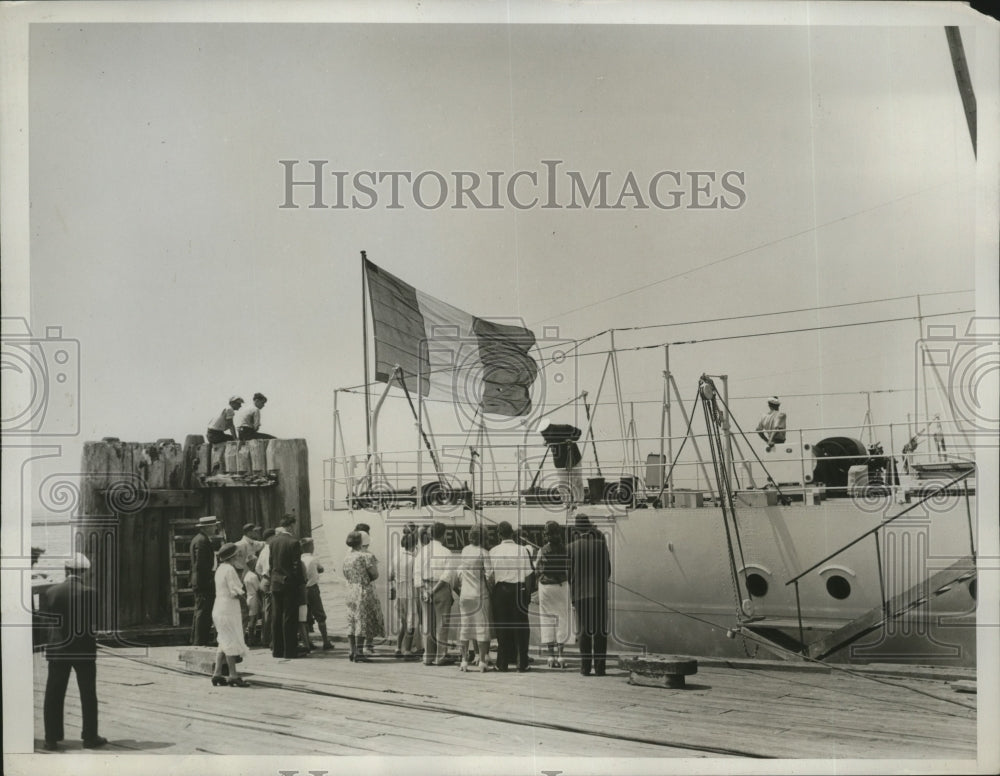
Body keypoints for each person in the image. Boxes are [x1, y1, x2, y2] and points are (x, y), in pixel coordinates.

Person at [41, 553, 107, 751]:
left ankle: (51, 739)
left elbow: (47, 622)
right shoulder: (91, 592)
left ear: (66, 570)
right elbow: (94, 623)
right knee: (88, 693)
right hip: (83, 650)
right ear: (83, 572)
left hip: (58, 650)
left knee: (54, 692)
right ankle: (90, 736)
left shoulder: (51, 592)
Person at [568, 513, 611, 677]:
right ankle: (600, 668)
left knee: (584, 631)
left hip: (580, 594)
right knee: (600, 631)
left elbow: (568, 573)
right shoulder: (601, 545)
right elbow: (608, 570)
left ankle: (585, 668)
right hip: (599, 593)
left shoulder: (571, 547)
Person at [489, 520, 534, 672]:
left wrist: (491, 594)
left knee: (502, 628)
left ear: (499, 534)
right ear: (512, 534)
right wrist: (526, 595)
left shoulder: (493, 551)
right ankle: (522, 663)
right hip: (518, 590)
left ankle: (502, 663)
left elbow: (490, 576)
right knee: (521, 628)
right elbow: (528, 575)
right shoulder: (522, 550)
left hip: (500, 591)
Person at [210, 543, 251, 687]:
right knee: (231, 640)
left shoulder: (220, 569)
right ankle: (233, 675)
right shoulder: (230, 570)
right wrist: (245, 599)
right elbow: (235, 591)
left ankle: (217, 673)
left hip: (219, 607)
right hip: (229, 608)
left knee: (223, 640)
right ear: (233, 557)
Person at [342, 531, 385, 662]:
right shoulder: (366, 556)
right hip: (363, 589)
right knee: (362, 620)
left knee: (352, 619)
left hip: (351, 589)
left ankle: (352, 650)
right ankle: (360, 652)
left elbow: (345, 574)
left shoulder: (347, 557)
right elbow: (375, 574)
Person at [456, 525, 494, 672]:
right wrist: (492, 589)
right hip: (480, 594)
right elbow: (489, 575)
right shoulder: (484, 553)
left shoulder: (465, 550)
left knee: (465, 627)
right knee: (482, 627)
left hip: (465, 594)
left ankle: (464, 661)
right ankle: (482, 661)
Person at [536, 520, 572, 669]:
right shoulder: (566, 549)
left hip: (545, 587)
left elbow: (537, 568)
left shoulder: (542, 550)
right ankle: (561, 656)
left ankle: (550, 656)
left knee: (547, 619)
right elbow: (569, 568)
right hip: (562, 586)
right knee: (562, 618)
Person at [421, 522, 458, 666]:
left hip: (425, 586)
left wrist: (425, 589)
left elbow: (417, 572)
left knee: (428, 624)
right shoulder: (446, 552)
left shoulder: (423, 551)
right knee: (442, 624)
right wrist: (434, 589)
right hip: (440, 588)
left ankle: (427, 656)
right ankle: (440, 656)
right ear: (443, 535)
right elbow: (447, 575)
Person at [268, 514, 304, 659]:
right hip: (289, 583)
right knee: (290, 616)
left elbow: (271, 564)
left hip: (275, 582)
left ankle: (277, 650)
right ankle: (290, 650)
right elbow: (296, 566)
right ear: (290, 525)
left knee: (276, 616)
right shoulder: (294, 542)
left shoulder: (273, 541)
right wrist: (300, 582)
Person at [390, 525, 421, 657]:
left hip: (399, 591)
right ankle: (407, 650)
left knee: (403, 621)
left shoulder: (396, 557)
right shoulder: (413, 559)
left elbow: (390, 576)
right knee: (411, 622)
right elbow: (416, 577)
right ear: (414, 544)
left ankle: (398, 647)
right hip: (410, 591)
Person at [189, 516, 220, 646]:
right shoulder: (202, 541)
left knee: (200, 611)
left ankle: (197, 640)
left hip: (202, 581)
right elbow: (200, 565)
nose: (215, 528)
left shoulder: (200, 539)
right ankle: (200, 642)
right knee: (203, 612)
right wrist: (208, 581)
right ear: (207, 528)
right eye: (213, 526)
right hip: (204, 583)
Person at [300, 537, 333, 650]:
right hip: (312, 589)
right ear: (310, 547)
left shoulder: (300, 559)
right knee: (320, 616)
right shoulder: (314, 559)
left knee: (305, 616)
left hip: (302, 590)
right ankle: (325, 641)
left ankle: (308, 642)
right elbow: (321, 569)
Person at [541, 421, 584, 505]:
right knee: (561, 484)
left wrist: (571, 439)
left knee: (576, 481)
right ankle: (567, 502)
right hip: (560, 462)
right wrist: (546, 442)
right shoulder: (546, 433)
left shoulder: (565, 428)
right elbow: (547, 439)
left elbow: (579, 432)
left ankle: (579, 501)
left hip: (573, 458)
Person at [255, 527, 276, 648]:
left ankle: (265, 638)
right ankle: (269, 640)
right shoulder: (270, 550)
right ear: (270, 538)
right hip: (269, 580)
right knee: (270, 612)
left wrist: (263, 577)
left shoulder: (263, 550)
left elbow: (257, 568)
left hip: (264, 580)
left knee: (265, 611)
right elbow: (270, 568)